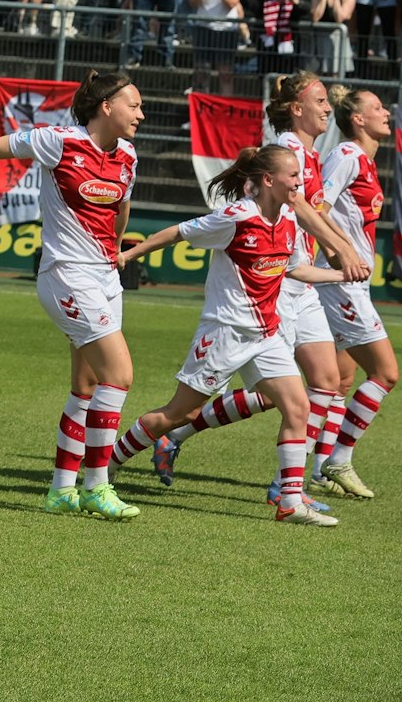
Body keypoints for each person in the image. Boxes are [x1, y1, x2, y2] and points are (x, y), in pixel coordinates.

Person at [0, 72, 146, 520]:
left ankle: (61, 490)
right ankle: (98, 486)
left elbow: (122, 206)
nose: (141, 114)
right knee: (119, 375)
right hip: (67, 276)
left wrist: (116, 247)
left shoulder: (128, 155)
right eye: (133, 105)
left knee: (86, 386)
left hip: (104, 279)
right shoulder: (58, 141)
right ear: (106, 106)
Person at [151, 73, 369, 501]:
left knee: (326, 382)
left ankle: (289, 484)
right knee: (282, 393)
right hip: (279, 284)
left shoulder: (310, 155)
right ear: (296, 109)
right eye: (320, 100)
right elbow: (301, 207)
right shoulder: (288, 150)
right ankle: (178, 434)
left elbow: (313, 211)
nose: (328, 108)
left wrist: (337, 249)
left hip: (301, 280)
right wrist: (342, 250)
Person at [105, 146, 348, 527]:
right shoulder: (237, 217)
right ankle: (108, 462)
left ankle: (289, 502)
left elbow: (295, 270)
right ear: (268, 180)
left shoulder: (288, 219)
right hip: (224, 333)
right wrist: (129, 254)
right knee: (179, 414)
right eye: (292, 176)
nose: (299, 182)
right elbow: (179, 232)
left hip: (265, 335)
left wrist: (340, 275)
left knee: (297, 406)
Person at [310, 87, 399, 499]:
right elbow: (317, 208)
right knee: (385, 373)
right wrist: (341, 252)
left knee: (338, 381)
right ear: (358, 119)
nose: (386, 112)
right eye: (377, 107)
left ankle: (318, 471)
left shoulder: (365, 160)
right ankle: (339, 459)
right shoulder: (346, 155)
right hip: (340, 284)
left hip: (350, 282)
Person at [187, 0, 248, 96]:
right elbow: (192, 2)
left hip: (226, 30)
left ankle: (225, 108)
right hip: (203, 28)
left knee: (225, 74)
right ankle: (201, 108)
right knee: (201, 73)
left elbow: (232, 2)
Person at [307, 0, 356, 73]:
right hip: (320, 40)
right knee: (320, 74)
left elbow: (339, 19)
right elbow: (315, 18)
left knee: (336, 74)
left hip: (338, 41)